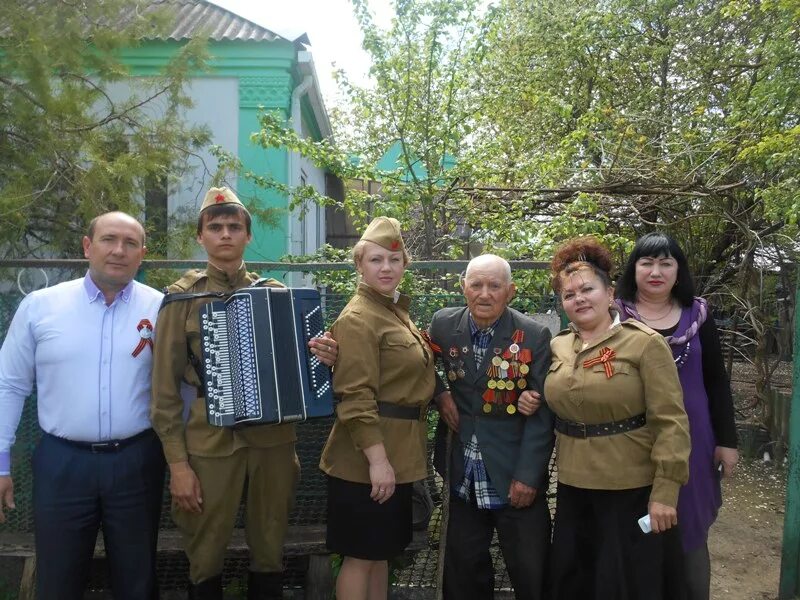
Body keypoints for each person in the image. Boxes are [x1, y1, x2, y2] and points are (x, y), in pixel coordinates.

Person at [150, 187, 338, 600]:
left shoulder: (276, 293)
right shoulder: (181, 298)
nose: (225, 234)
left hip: (273, 441)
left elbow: (306, 366)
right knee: (205, 548)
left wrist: (323, 355)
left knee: (271, 546)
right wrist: (178, 466)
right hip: (210, 442)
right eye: (214, 227)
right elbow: (163, 393)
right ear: (200, 237)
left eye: (234, 227)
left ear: (248, 236)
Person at [0, 212, 165, 599]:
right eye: (109, 239)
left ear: (142, 255)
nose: (118, 251)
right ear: (87, 246)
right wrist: (0, 463)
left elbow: (181, 390)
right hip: (62, 464)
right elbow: (9, 384)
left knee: (138, 581)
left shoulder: (162, 309)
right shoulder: (40, 306)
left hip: (137, 462)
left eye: (130, 244)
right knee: (57, 580)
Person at [519, 236, 690, 600]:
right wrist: (531, 399)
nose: (579, 298)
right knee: (576, 581)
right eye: (569, 294)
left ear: (610, 293)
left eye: (587, 289)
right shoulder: (558, 346)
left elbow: (671, 421)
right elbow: (559, 397)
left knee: (624, 583)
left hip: (630, 487)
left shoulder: (644, 343)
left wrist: (666, 492)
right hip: (575, 486)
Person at [615, 231, 739, 600]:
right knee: (637, 518)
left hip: (695, 437)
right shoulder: (615, 315)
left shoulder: (699, 315)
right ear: (633, 269)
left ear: (678, 270)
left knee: (689, 520)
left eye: (666, 263)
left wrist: (726, 441)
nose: (656, 271)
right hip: (632, 434)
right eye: (647, 262)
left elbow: (717, 381)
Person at [319, 217, 435, 600]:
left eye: (394, 259)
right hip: (366, 460)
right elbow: (355, 395)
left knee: (380, 553)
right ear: (359, 265)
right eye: (376, 260)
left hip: (395, 454)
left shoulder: (392, 311)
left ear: (404, 265)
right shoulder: (359, 317)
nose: (386, 268)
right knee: (360, 556)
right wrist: (377, 460)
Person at [430, 253, 554, 600]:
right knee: (464, 573)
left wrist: (529, 476)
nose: (484, 294)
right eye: (476, 284)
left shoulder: (533, 335)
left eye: (494, 286)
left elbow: (543, 415)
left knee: (531, 572)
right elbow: (419, 364)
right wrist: (440, 394)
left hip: (513, 474)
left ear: (510, 291)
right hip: (462, 474)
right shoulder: (443, 324)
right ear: (463, 287)